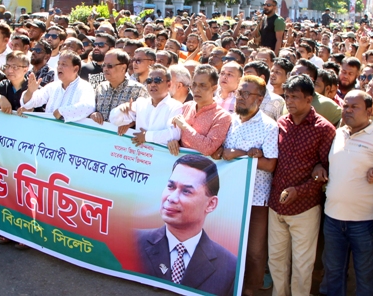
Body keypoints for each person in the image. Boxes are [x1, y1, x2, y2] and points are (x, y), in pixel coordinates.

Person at [267, 74, 336, 296]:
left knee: (302, 265)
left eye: (295, 97)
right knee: (276, 260)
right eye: (287, 96)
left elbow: (326, 171)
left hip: (305, 208)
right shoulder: (280, 124)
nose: (289, 102)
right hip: (276, 204)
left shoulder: (324, 129)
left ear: (310, 99)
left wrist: (300, 191)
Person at [322, 90, 373, 295]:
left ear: (369, 111)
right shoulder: (338, 133)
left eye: (354, 107)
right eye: (345, 106)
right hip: (333, 219)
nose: (348, 111)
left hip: (365, 223)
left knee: (364, 276)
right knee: (333, 273)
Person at [212, 75, 279, 296]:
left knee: (255, 251)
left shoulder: (269, 126)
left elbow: (269, 164)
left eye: (246, 94)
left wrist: (239, 155)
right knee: (225, 245)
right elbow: (219, 150)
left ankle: (250, 289)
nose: (239, 98)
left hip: (256, 198)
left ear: (259, 100)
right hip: (228, 194)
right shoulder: (228, 120)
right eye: (239, 92)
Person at [135, 154, 237, 296]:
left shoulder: (230, 267)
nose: (172, 198)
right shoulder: (131, 241)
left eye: (186, 191)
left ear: (211, 204)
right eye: (171, 186)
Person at [110, 64, 182, 146]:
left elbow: (174, 134)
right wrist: (121, 109)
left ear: (169, 84)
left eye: (157, 80)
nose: (153, 84)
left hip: (159, 157)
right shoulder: (140, 103)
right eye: (149, 81)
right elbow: (114, 120)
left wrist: (146, 136)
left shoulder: (176, 107)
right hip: (138, 155)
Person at [168, 64, 232, 157]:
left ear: (214, 88)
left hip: (202, 168)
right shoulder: (185, 107)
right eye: (194, 85)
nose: (196, 90)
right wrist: (172, 142)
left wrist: (184, 126)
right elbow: (172, 134)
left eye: (203, 85)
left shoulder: (222, 117)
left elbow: (208, 148)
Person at [19, 50, 95, 122]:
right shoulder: (52, 86)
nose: (59, 67)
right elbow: (31, 103)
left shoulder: (84, 87)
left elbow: (88, 106)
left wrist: (62, 111)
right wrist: (30, 91)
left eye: (64, 64)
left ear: (76, 69)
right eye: (58, 64)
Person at [89, 49, 148, 124]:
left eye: (110, 66)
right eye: (104, 65)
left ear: (123, 68)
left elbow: (146, 117)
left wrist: (131, 124)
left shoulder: (138, 90)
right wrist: (92, 114)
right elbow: (90, 110)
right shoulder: (100, 87)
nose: (105, 69)